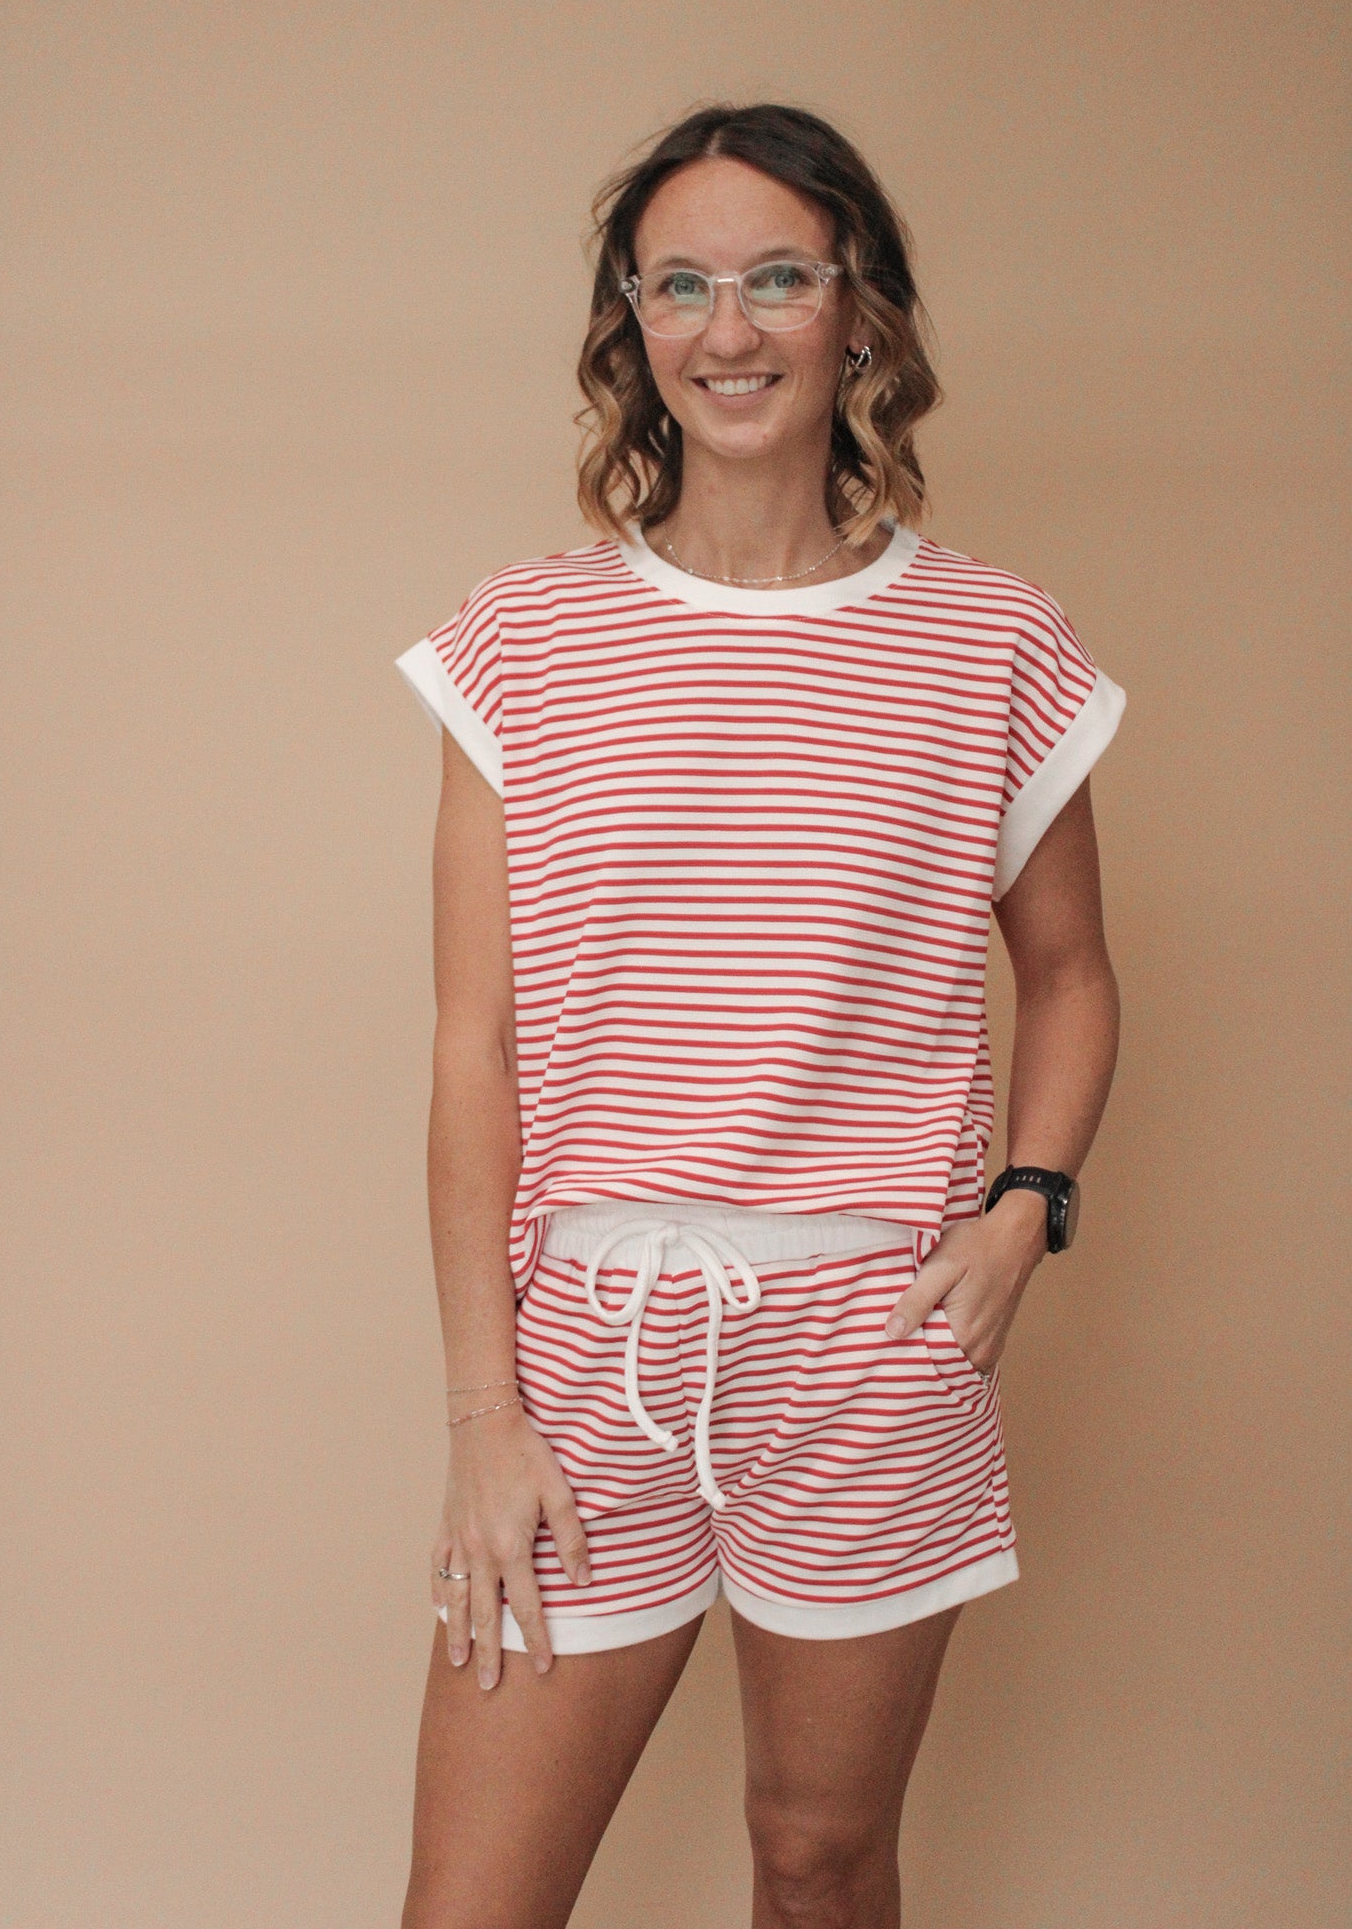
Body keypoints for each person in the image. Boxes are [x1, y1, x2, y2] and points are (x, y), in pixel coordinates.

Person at [393, 101, 1124, 1929]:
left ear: (857, 311)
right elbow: (474, 1047)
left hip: (871, 1353)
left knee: (818, 1867)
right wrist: (483, 1413)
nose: (728, 329)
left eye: (778, 278)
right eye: (680, 286)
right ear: (631, 328)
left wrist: (1024, 1211)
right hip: (590, 1356)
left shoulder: (991, 640)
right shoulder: (520, 641)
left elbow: (1069, 972)